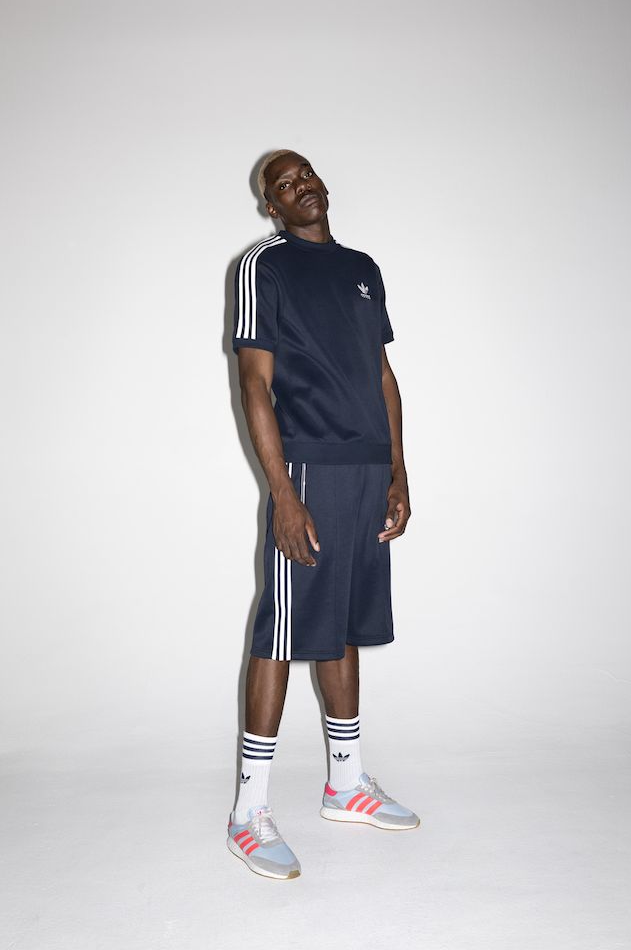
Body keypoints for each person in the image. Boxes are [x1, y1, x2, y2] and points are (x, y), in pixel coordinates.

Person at [227, 149, 418, 881]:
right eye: (282, 184)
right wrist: (282, 492)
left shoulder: (363, 268)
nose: (299, 185)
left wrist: (398, 471)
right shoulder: (263, 266)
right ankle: (248, 812)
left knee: (341, 625)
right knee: (281, 632)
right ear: (271, 207)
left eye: (304, 173)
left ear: (322, 183)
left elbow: (382, 374)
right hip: (306, 467)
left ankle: (345, 785)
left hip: (367, 469)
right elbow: (254, 382)